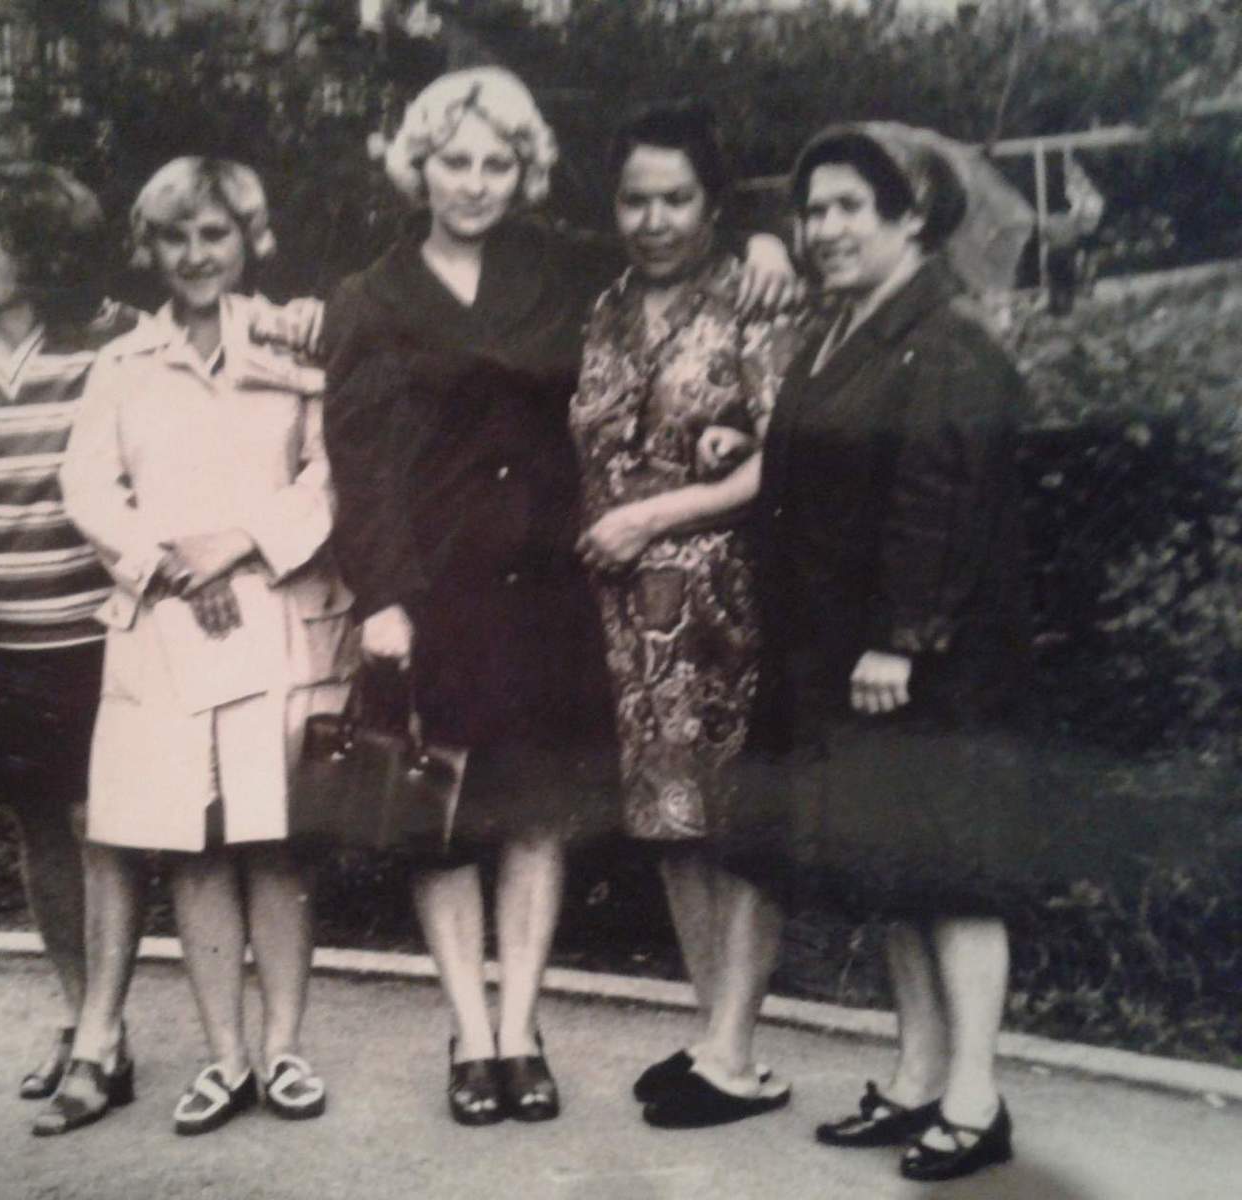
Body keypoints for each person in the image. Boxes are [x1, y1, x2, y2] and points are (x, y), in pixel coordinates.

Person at [322, 67, 796, 1127]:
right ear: (421, 167)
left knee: (533, 816)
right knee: (440, 823)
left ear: (524, 173)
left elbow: (689, 237)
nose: (475, 184)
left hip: (548, 587)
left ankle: (523, 1029)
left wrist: (765, 241)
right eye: (455, 162)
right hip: (431, 593)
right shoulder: (370, 296)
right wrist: (382, 596)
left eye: (497, 164)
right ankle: (469, 1032)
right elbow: (355, 466)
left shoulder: (564, 273)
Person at [747, 122, 1033, 1183]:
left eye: (846, 210)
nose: (822, 230)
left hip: (925, 665)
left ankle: (975, 1098)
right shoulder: (847, 329)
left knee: (953, 878)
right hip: (854, 661)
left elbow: (938, 501)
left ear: (910, 215)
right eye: (811, 210)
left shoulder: (946, 338)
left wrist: (898, 640)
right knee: (898, 874)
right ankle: (916, 1081)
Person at [52, 156, 354, 1137]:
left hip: (271, 621)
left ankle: (283, 1050)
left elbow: (330, 471)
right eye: (176, 237)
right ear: (150, 248)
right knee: (192, 849)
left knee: (273, 845)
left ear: (247, 241)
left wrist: (242, 545)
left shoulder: (290, 345)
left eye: (214, 235)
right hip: (165, 631)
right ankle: (223, 1058)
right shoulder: (122, 363)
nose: (195, 255)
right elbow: (87, 489)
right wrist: (167, 564)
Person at [568, 102, 801, 1129]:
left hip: (726, 600)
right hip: (632, 617)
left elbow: (780, 456)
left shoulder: (754, 300)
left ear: (712, 204)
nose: (653, 218)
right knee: (670, 824)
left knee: (733, 822)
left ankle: (735, 1049)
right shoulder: (606, 309)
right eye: (634, 198)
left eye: (675, 198)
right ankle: (719, 1042)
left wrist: (655, 514)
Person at [0, 163, 143, 1106]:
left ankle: (105, 1031)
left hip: (95, 633)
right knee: (38, 829)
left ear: (38, 246)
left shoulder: (116, 342)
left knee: (104, 830)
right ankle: (78, 1011)